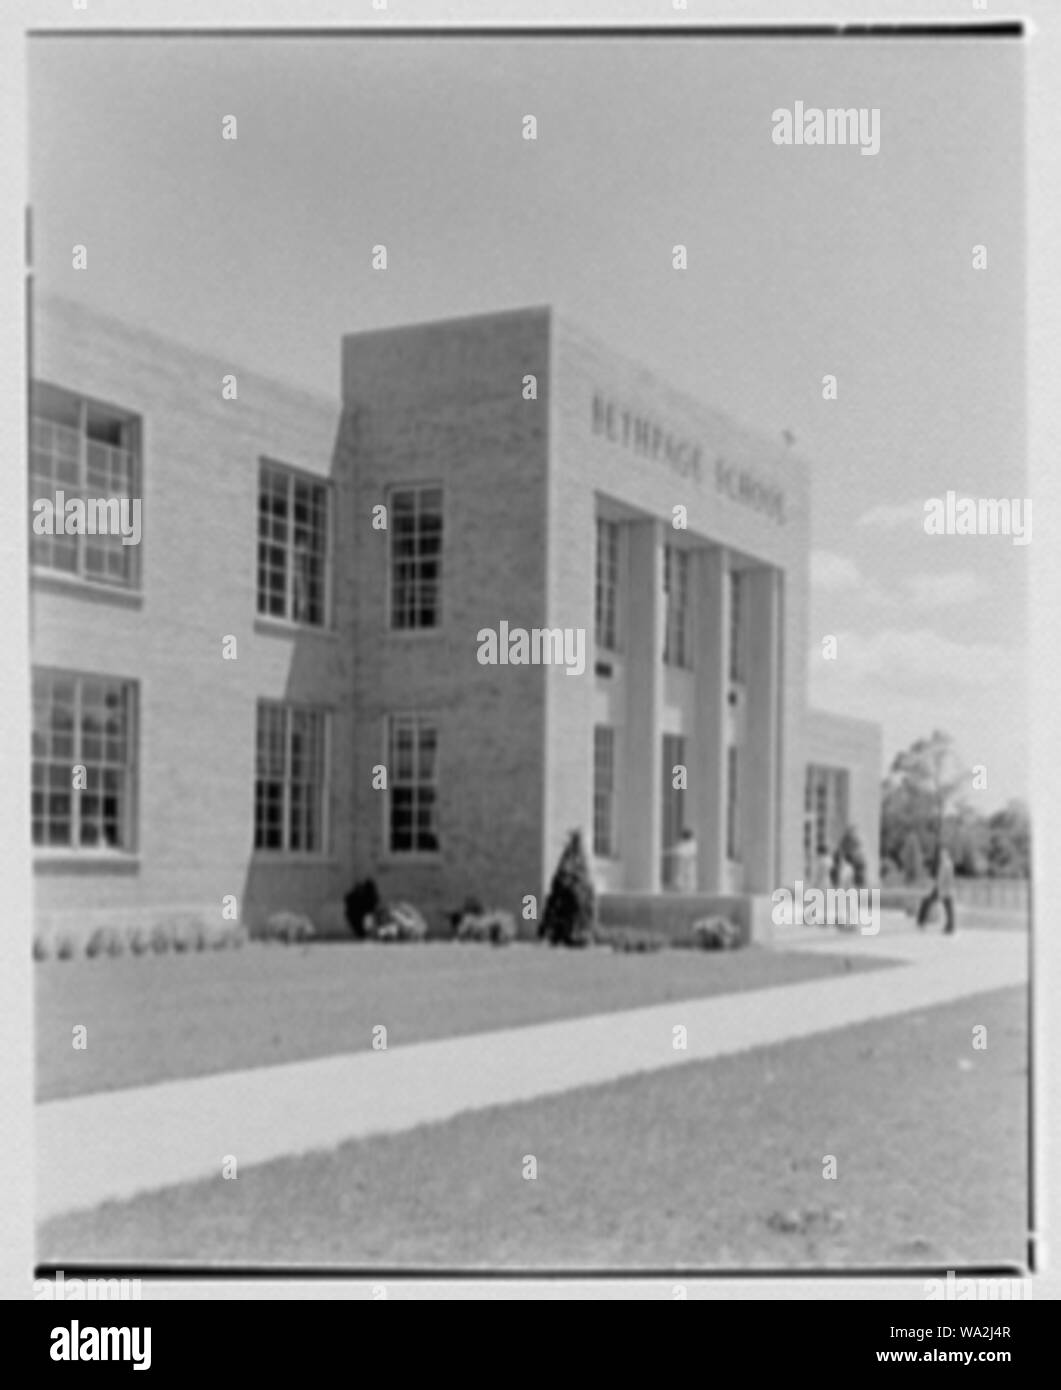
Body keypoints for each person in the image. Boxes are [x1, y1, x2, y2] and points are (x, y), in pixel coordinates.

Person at [917, 846, 957, 934]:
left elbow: (949, 879)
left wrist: (946, 891)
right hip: (939, 889)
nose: (941, 855)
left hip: (945, 890)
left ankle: (949, 928)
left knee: (948, 909)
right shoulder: (943, 864)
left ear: (947, 854)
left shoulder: (948, 864)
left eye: (943, 853)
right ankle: (921, 922)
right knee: (927, 901)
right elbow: (940, 878)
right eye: (941, 854)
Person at [668, 827, 698, 894]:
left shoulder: (691, 844)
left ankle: (687, 891)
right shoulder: (686, 843)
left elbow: (679, 851)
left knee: (689, 877)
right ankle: (685, 890)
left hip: (689, 863)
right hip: (685, 863)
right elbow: (677, 851)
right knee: (684, 878)